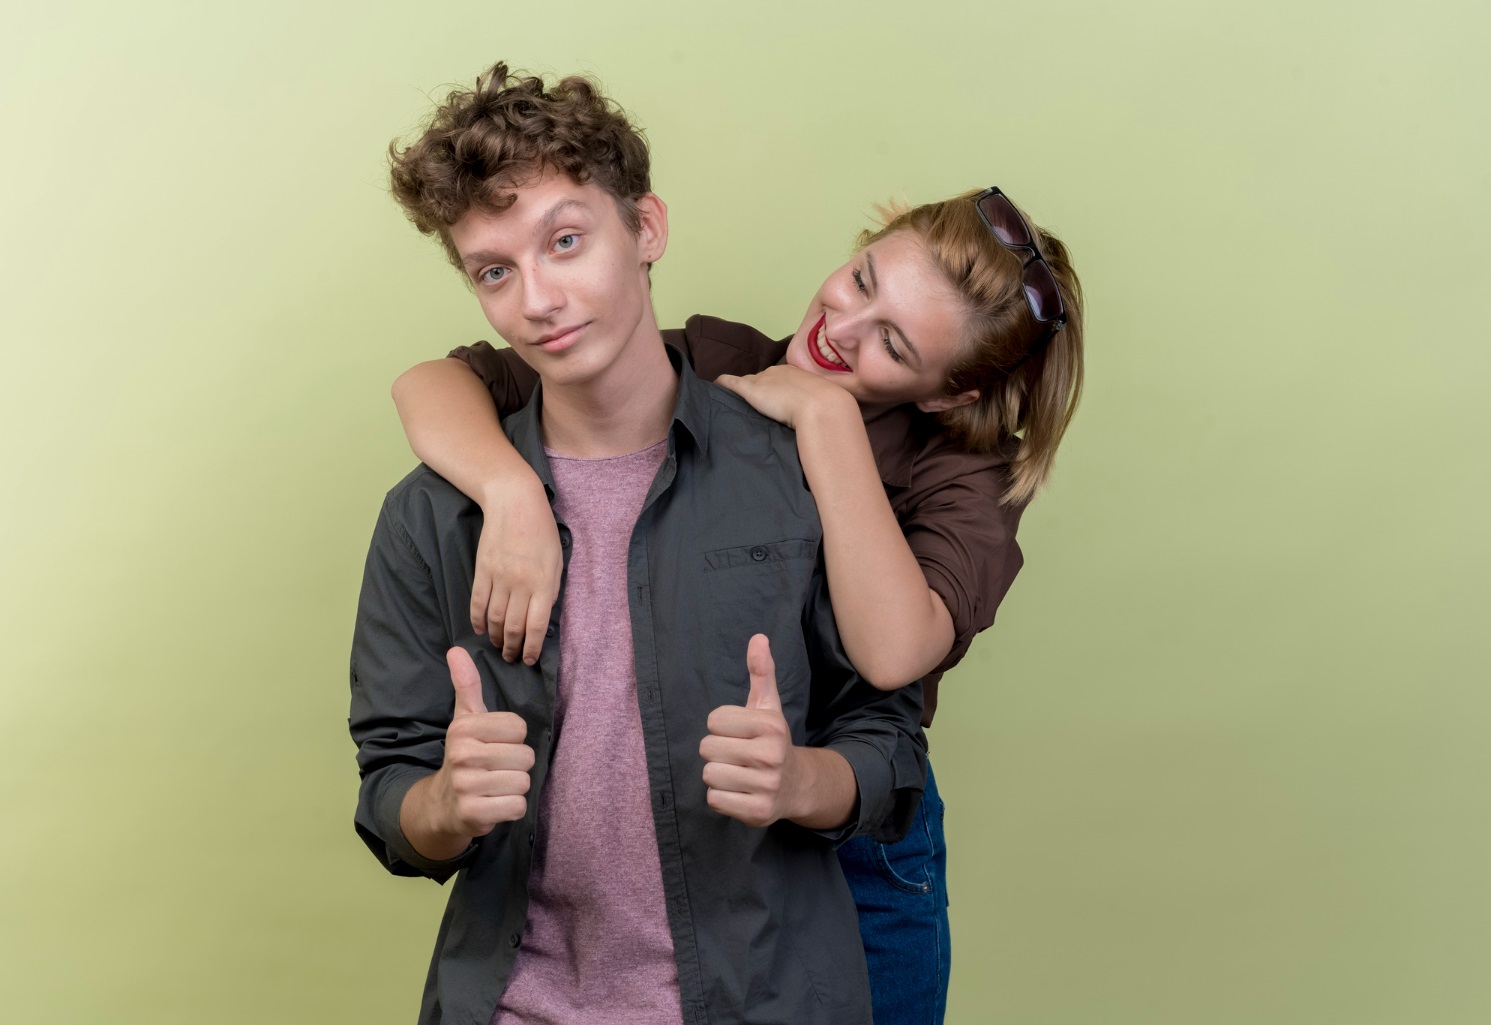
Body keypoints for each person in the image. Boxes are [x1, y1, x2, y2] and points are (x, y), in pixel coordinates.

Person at [392, 118, 1085, 1025]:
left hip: (858, 834)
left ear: (950, 392)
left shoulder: (963, 479)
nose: (841, 326)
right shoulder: (723, 360)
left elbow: (888, 654)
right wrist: (511, 495)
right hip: (708, 816)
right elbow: (431, 385)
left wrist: (825, 422)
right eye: (862, 279)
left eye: (895, 346)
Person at [348, 63, 927, 1025]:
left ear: (646, 229)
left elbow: (888, 742)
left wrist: (800, 780)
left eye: (565, 241)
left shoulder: (801, 475)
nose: (537, 298)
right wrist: (445, 803)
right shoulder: (430, 517)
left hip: (762, 1001)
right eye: (495, 270)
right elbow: (392, 788)